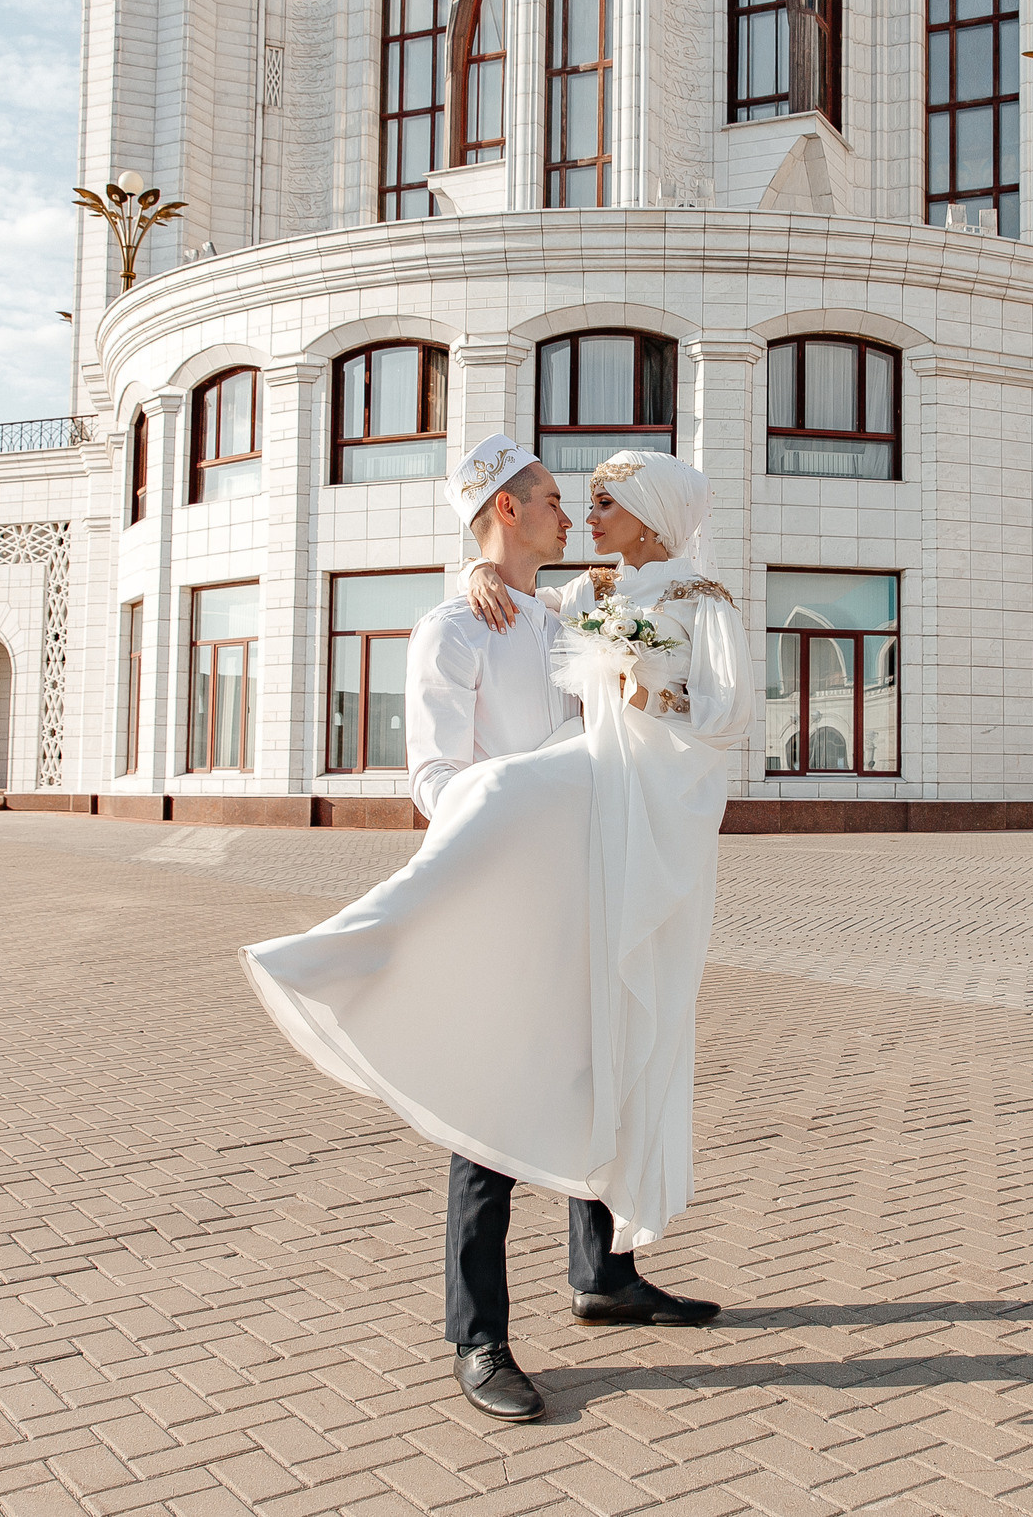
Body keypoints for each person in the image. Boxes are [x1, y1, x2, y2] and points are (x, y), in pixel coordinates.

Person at [242, 437, 750, 1424]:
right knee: (491, 1106)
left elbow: (633, 703)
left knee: (594, 1062)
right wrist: (518, 802)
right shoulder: (452, 629)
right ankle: (477, 1337)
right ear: (509, 512)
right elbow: (433, 781)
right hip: (502, 884)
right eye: (557, 499)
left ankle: (602, 1277)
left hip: (583, 880)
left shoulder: (564, 610)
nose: (572, 515)